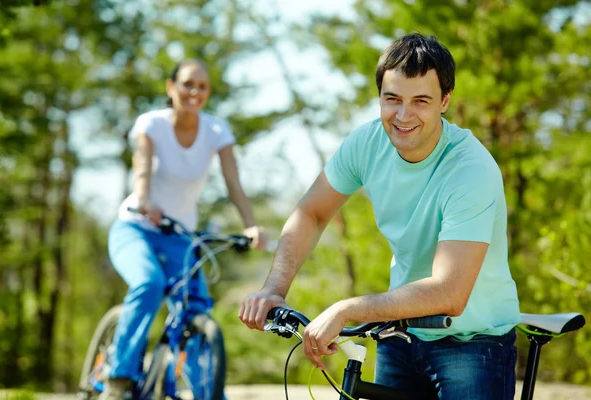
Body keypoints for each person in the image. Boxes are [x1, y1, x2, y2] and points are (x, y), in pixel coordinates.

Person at [239, 33, 521, 399]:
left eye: (420, 101)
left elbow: (450, 291)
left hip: (472, 342)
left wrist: (347, 309)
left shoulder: (471, 169)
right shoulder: (367, 143)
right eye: (392, 100)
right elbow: (311, 212)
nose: (403, 116)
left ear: (445, 101)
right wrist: (274, 289)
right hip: (398, 333)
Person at [101, 58, 268, 400]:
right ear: (170, 87)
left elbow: (234, 183)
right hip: (136, 227)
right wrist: (146, 202)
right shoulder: (151, 124)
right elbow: (142, 169)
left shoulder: (216, 130)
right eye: (188, 84)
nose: (195, 91)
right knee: (149, 284)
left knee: (196, 309)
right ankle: (119, 379)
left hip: (180, 237)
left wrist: (250, 225)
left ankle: (207, 393)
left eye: (202, 86)